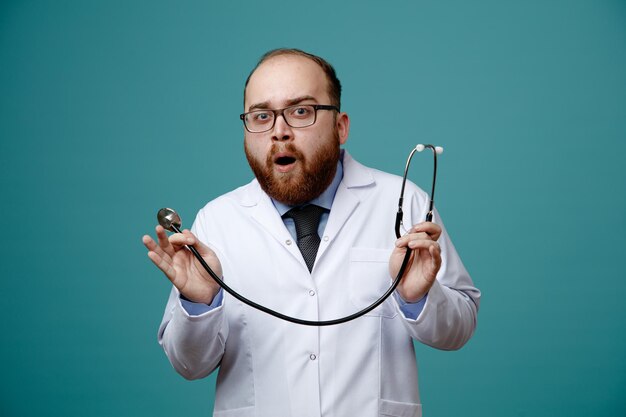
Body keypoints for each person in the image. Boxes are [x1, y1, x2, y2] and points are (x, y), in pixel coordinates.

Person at [142, 48, 480, 417]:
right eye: (261, 116)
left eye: (300, 111)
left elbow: (458, 330)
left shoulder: (404, 203)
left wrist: (419, 298)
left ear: (341, 126)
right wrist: (199, 304)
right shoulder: (217, 222)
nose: (279, 132)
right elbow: (190, 366)